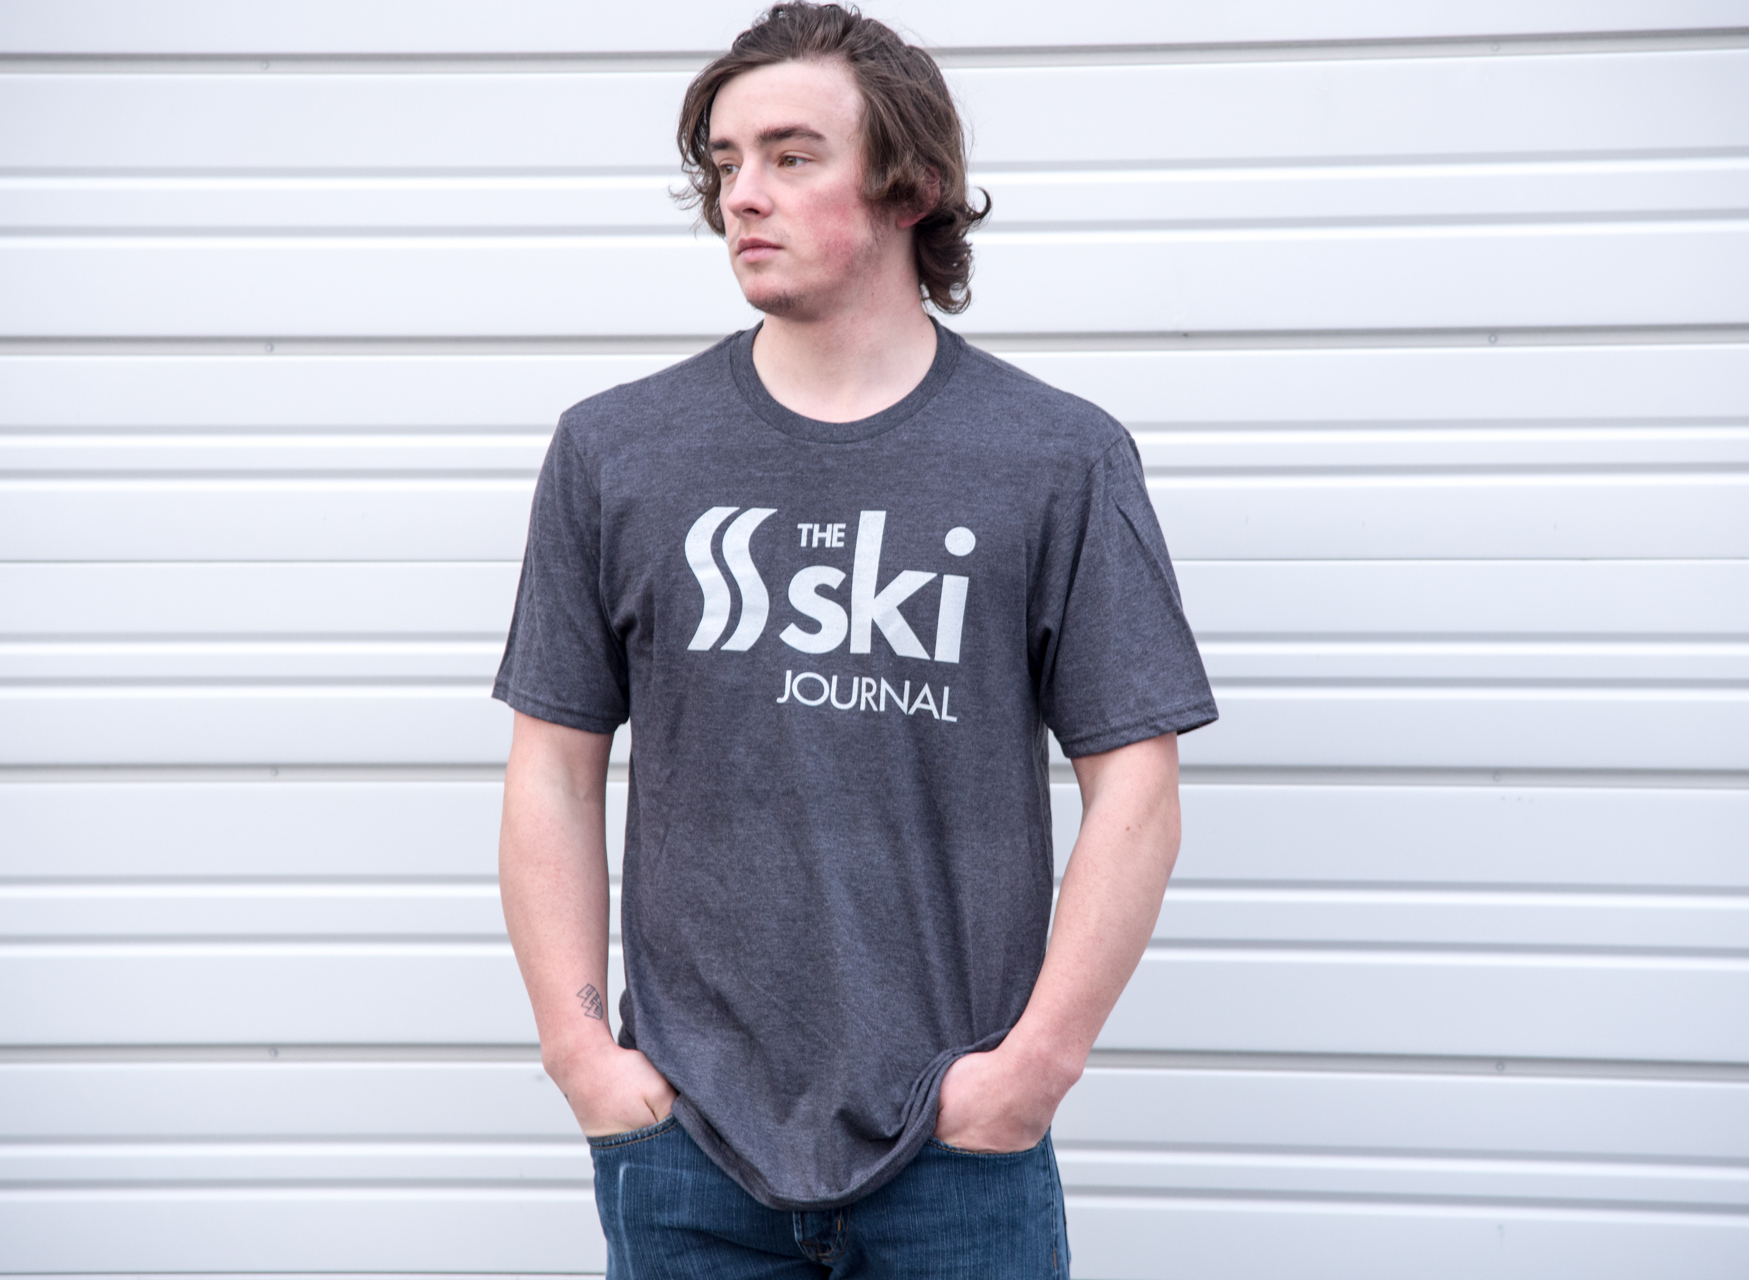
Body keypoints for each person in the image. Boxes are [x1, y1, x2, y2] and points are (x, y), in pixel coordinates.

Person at [493, 4, 1216, 1275]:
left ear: (909, 185)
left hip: (956, 1154)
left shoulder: (1057, 457)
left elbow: (1136, 787)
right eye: (725, 162)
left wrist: (1033, 1069)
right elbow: (552, 768)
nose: (742, 195)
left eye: (792, 155)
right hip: (687, 1146)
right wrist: (580, 1051)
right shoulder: (615, 451)